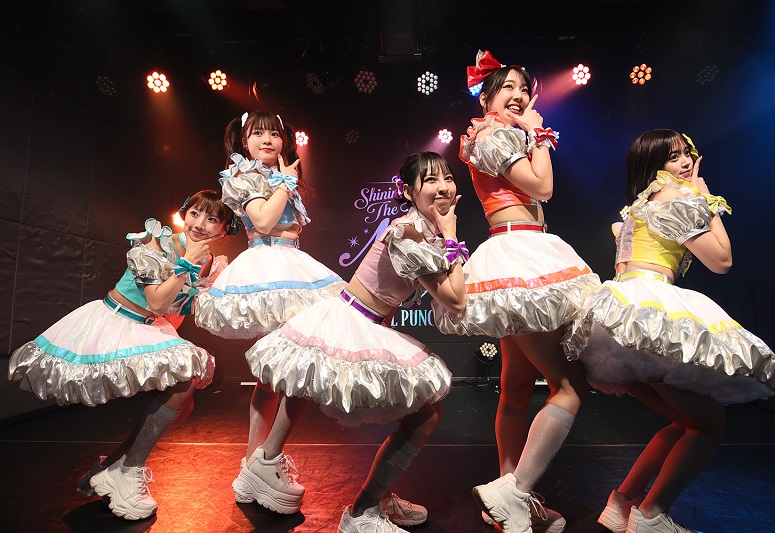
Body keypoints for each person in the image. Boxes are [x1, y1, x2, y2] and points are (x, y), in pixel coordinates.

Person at [563, 129, 775, 533]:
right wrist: (706, 200)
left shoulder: (640, 205)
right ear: (654, 165)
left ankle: (623, 502)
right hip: (649, 311)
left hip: (622, 314)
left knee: (685, 422)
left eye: (687, 154)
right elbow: (721, 261)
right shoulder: (675, 197)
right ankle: (651, 514)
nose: (684, 163)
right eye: (673, 157)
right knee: (708, 424)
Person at [243, 152, 466, 532]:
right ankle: (362, 510)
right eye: (430, 180)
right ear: (408, 192)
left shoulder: (421, 231)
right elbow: (456, 300)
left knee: (309, 384)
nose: (443, 187)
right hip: (354, 320)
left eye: (447, 177)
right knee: (422, 415)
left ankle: (271, 464)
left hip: (366, 321)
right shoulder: (410, 234)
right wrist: (451, 234)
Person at [433, 50, 601, 533]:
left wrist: (530, 132)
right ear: (485, 99)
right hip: (518, 252)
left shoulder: (497, 134)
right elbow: (542, 187)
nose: (519, 95)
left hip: (524, 249)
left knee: (516, 390)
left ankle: (510, 497)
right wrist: (539, 133)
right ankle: (516, 491)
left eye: (524, 89)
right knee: (570, 388)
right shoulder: (494, 135)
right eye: (507, 87)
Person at [8, 190, 235, 520]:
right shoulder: (157, 244)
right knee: (185, 381)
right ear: (184, 214)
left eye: (212, 219)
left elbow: (173, 311)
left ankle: (114, 466)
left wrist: (169, 347)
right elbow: (157, 301)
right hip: (117, 319)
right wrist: (186, 262)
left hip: (148, 325)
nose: (200, 224)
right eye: (195, 214)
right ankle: (128, 469)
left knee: (185, 400)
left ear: (224, 230)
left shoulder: (212, 264)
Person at [193, 110, 346, 502]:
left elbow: (289, 226)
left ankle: (255, 465)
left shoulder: (281, 177)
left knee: (278, 374)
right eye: (257, 133)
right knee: (282, 369)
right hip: (266, 266)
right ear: (244, 141)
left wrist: (285, 182)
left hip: (293, 264)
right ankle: (259, 462)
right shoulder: (243, 174)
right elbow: (262, 222)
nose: (267, 139)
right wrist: (285, 183)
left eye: (274, 133)